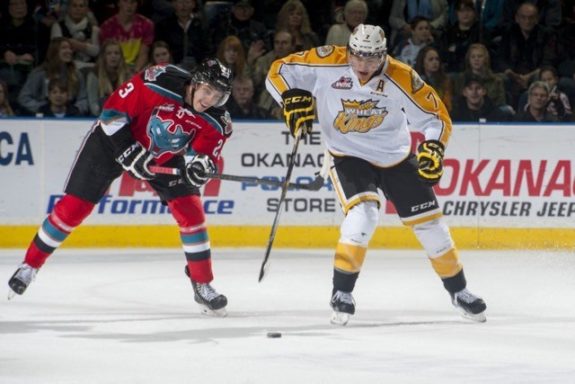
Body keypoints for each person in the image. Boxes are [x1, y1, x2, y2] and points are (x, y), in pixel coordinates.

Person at [266, 24, 487, 325]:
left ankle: (459, 291)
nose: (363, 66)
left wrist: (434, 147)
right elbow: (278, 71)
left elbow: (436, 117)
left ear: (383, 54)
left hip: (395, 156)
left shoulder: (402, 76)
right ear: (350, 50)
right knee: (364, 214)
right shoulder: (328, 60)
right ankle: (341, 292)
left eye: (372, 59)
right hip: (347, 154)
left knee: (432, 225)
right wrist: (289, 97)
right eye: (358, 57)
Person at [7, 58, 234, 317]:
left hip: (163, 155)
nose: (209, 100)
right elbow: (112, 114)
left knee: (191, 213)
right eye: (207, 91)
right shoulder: (156, 82)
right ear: (194, 83)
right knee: (73, 208)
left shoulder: (218, 120)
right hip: (111, 142)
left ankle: (202, 283)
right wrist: (128, 151)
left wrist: (199, 167)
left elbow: (202, 155)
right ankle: (29, 266)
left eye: (217, 96)